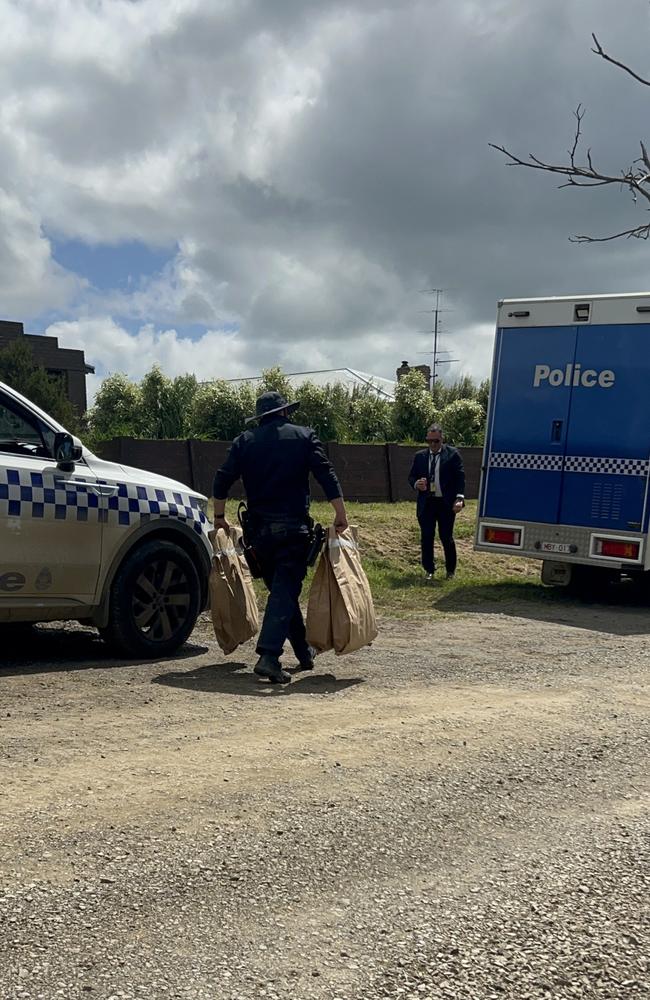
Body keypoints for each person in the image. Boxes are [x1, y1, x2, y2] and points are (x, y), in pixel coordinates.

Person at [213, 391, 348, 685]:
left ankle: (304, 653)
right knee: (285, 590)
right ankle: (269, 656)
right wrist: (340, 514)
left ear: (261, 417)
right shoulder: (303, 436)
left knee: (281, 591)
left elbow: (222, 478)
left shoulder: (244, 441)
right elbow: (326, 474)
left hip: (259, 535)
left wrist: (219, 516)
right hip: (292, 530)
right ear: (286, 412)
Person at [408, 423, 465, 580]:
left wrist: (459, 498)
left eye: (436, 441)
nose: (433, 444)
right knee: (427, 536)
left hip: (445, 503)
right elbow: (411, 476)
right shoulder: (420, 456)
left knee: (446, 536)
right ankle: (429, 570)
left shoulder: (453, 454)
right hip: (427, 503)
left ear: (442, 439)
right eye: (429, 441)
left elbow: (460, 478)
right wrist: (416, 484)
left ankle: (450, 571)